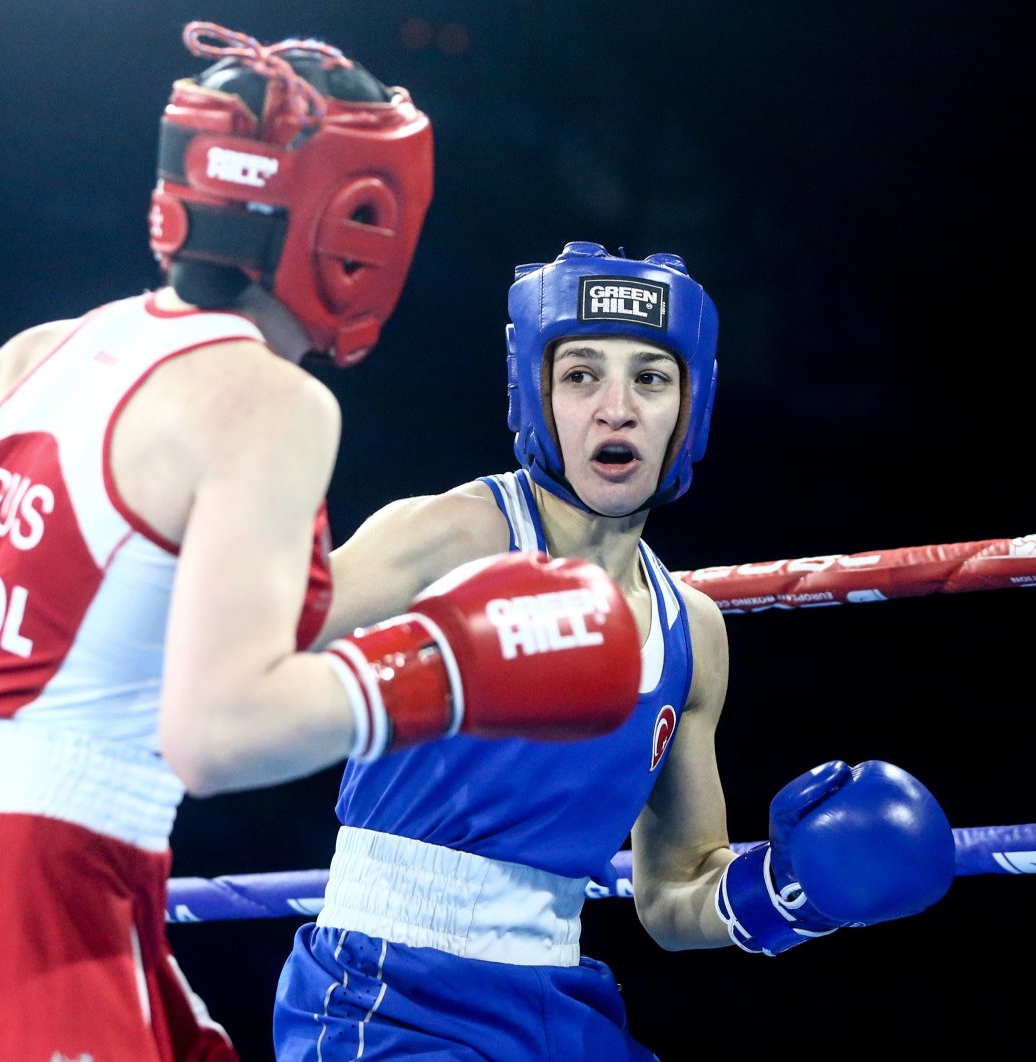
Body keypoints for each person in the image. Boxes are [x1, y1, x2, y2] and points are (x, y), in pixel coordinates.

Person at [0, 27, 647, 1062]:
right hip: (43, 910)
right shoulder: (267, 402)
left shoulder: (46, 353)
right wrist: (452, 663)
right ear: (353, 217)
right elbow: (217, 735)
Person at [272, 241, 958, 1060]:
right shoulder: (452, 537)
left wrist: (794, 893)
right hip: (386, 988)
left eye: (651, 378)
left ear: (688, 408)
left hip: (556, 1001)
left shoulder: (693, 631)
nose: (616, 408)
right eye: (581, 375)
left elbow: (674, 895)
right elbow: (243, 653)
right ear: (538, 396)